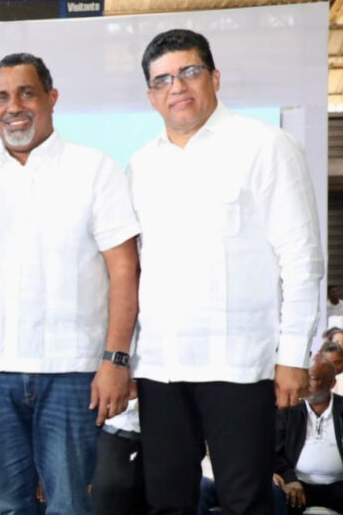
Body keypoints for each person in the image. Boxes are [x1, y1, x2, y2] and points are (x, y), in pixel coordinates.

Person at [129, 29, 323, 515]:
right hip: (160, 366)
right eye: (162, 79)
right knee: (166, 502)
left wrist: (293, 356)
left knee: (246, 501)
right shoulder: (141, 166)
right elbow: (135, 270)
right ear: (151, 96)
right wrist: (127, 359)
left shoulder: (266, 145)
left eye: (189, 72)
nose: (177, 86)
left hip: (238, 363)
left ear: (214, 77)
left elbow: (301, 257)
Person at [0, 52, 140, 514]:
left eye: (26, 93)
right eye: (1, 97)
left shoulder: (95, 169)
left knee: (70, 504)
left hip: (73, 370)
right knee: (8, 504)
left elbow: (124, 269)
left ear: (52, 97)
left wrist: (115, 359)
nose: (14, 107)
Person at [275, 355, 343, 514]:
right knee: (275, 494)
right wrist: (290, 479)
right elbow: (275, 453)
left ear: (331, 384)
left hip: (339, 485)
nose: (305, 384)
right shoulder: (288, 410)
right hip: (297, 485)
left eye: (312, 379)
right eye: (305, 378)